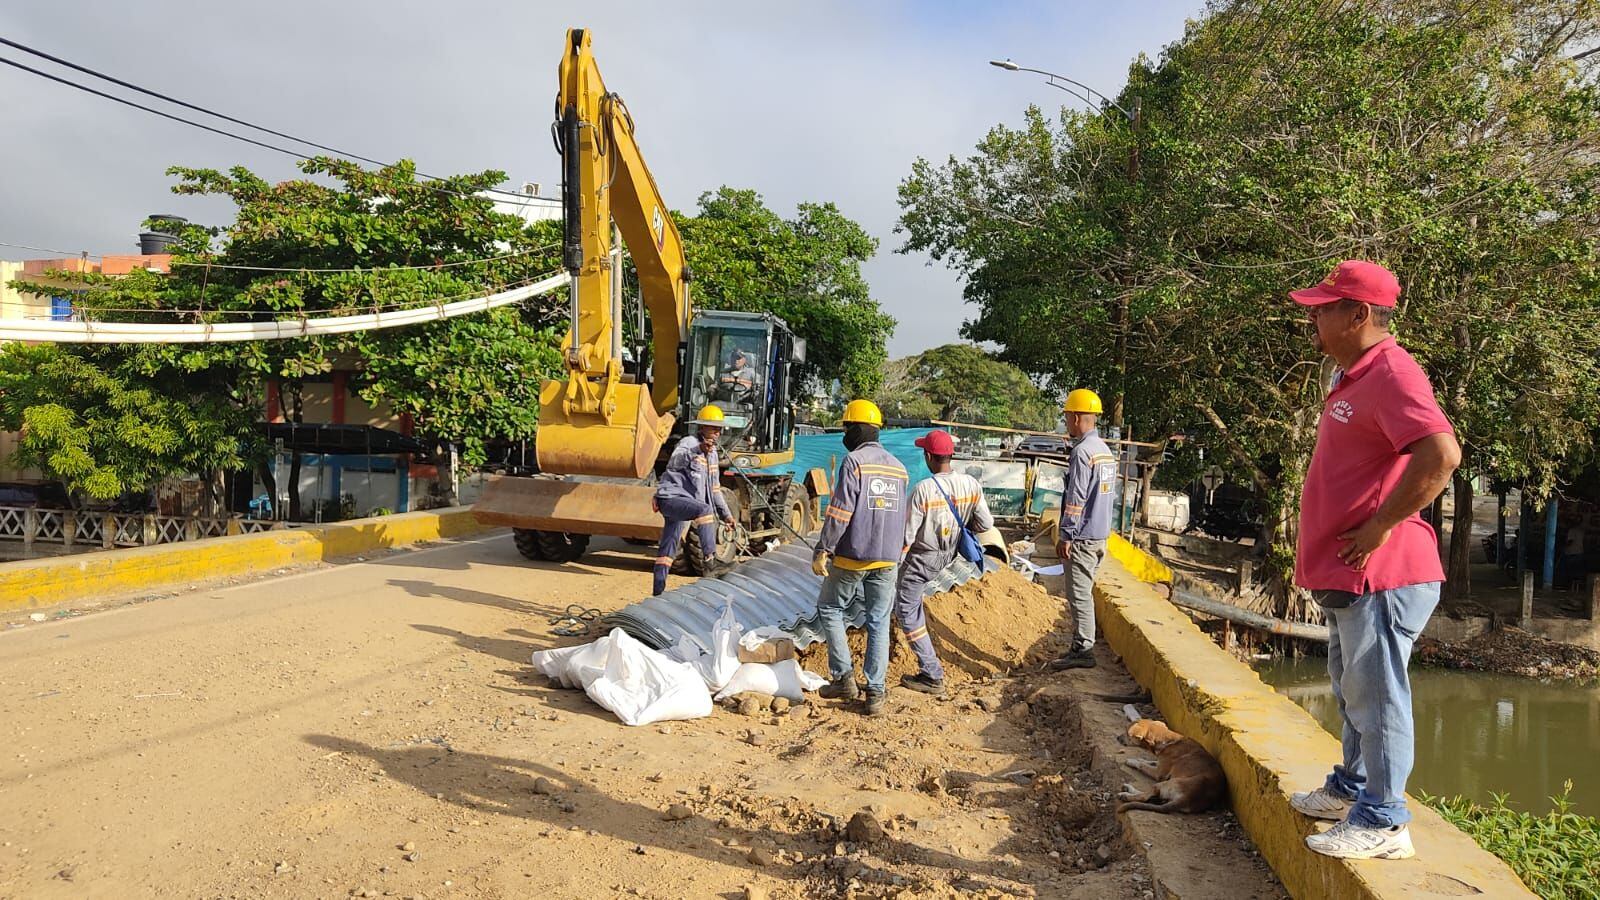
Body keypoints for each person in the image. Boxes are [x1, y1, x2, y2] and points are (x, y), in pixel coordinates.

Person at [1286, 260, 1460, 861]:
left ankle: (1385, 820)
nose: (1314, 316)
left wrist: (1381, 525)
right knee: (1351, 688)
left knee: (1378, 695)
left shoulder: (1392, 373)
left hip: (1382, 576)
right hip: (1350, 576)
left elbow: (1441, 453)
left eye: (1324, 307)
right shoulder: (1354, 375)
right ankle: (1353, 789)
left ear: (1358, 314)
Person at [812, 399, 908, 717]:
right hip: (888, 558)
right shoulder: (899, 468)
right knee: (878, 621)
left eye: (846, 427)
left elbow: (840, 512)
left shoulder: (854, 462)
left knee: (830, 607)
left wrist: (823, 548)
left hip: (854, 554)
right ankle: (876, 693)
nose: (844, 433)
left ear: (857, 428)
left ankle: (843, 679)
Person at [897, 429, 994, 696]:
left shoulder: (923, 490)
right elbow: (985, 524)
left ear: (928, 456)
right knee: (911, 600)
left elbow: (906, 536)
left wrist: (892, 564)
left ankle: (931, 673)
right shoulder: (971, 485)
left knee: (905, 608)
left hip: (923, 556)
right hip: (948, 554)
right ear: (950, 455)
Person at [1050, 389, 1117, 671]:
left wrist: (1066, 534)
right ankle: (1083, 645)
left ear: (1077, 417)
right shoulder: (1104, 451)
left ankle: (1083, 649)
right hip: (1100, 534)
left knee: (1079, 595)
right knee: (1084, 591)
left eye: (1067, 417)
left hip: (1083, 537)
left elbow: (1076, 498)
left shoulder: (1082, 452)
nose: (1066, 422)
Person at [651, 405, 736, 596]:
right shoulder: (688, 443)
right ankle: (710, 562)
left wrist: (727, 516)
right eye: (713, 428)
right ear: (702, 427)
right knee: (704, 510)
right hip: (670, 498)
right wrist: (698, 449)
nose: (717, 432)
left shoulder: (713, 455)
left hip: (685, 503)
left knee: (667, 550)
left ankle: (658, 592)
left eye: (719, 429)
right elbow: (674, 462)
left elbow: (714, 490)